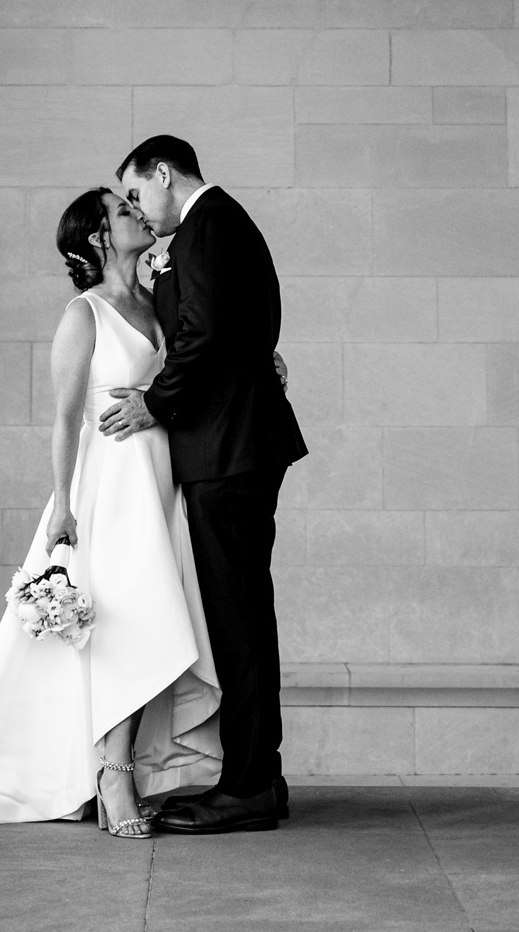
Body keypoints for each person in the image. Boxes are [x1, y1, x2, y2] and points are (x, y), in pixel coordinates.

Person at [0, 185, 219, 832]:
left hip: (163, 479)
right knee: (125, 623)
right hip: (111, 487)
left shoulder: (160, 300)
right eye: (123, 211)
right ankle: (113, 773)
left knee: (155, 618)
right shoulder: (85, 315)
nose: (138, 214)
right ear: (98, 237)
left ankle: (124, 768)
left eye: (136, 206)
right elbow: (65, 419)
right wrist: (64, 508)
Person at [101, 136, 307, 835]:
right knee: (239, 619)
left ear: (164, 173)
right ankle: (254, 779)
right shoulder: (214, 227)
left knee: (240, 622)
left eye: (137, 192)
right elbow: (228, 328)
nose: (138, 208)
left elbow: (206, 331)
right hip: (233, 445)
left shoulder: (208, 224)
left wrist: (153, 403)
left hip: (228, 451)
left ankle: (249, 786)